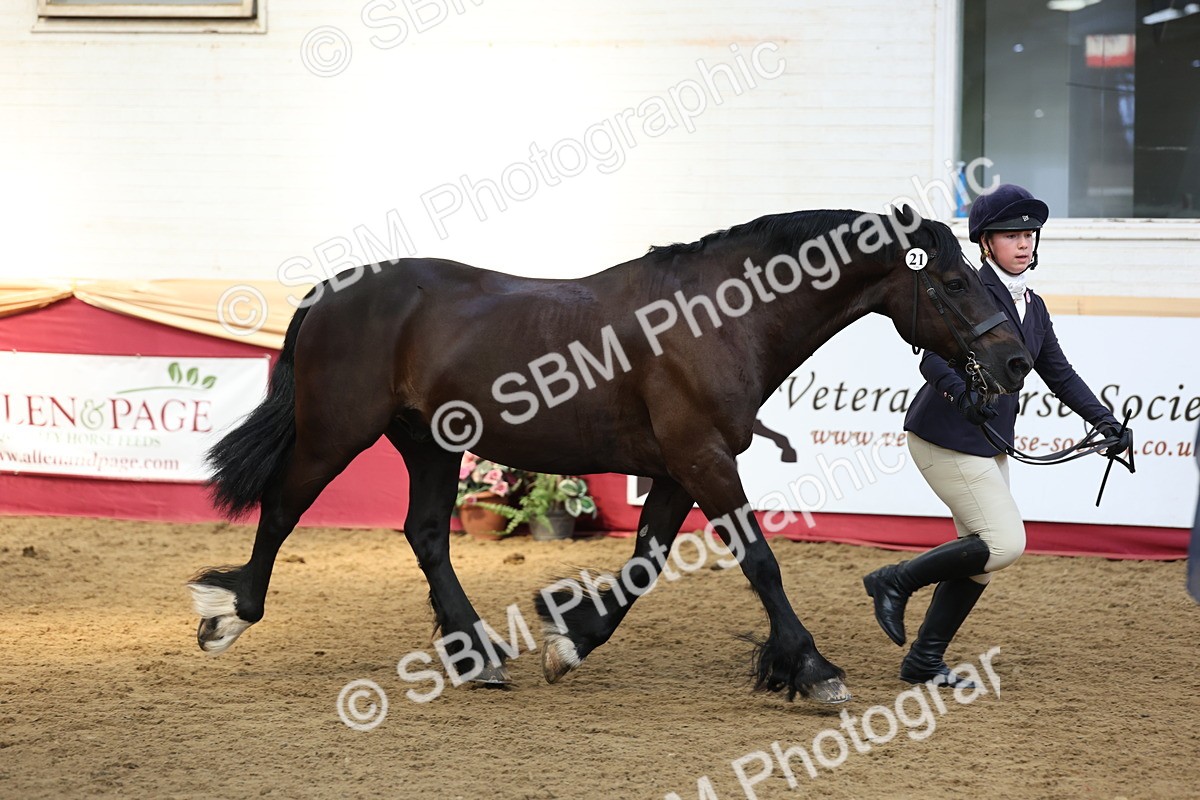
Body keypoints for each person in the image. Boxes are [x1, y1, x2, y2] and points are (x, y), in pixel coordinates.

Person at [863, 183, 1133, 687]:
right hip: (944, 435)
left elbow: (1061, 374)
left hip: (986, 441)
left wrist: (1105, 422)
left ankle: (923, 660)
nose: (1025, 243)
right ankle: (893, 580)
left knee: (981, 555)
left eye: (1029, 233)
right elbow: (933, 357)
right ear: (985, 244)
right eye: (1011, 234)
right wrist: (960, 396)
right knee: (1004, 542)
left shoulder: (1033, 306)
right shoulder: (970, 290)